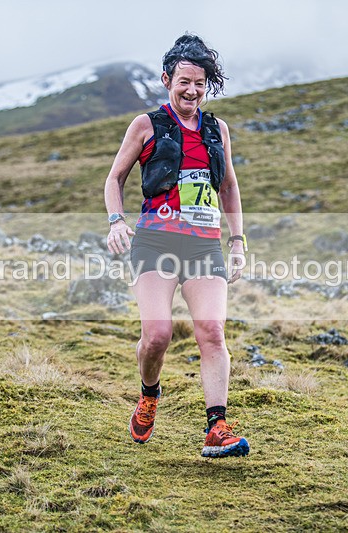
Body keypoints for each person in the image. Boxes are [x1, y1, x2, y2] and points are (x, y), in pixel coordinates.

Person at [104, 34, 249, 458]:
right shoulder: (146, 125)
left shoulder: (217, 129)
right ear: (167, 80)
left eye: (200, 83)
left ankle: (216, 426)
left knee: (212, 331)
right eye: (184, 81)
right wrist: (116, 221)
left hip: (204, 246)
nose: (192, 91)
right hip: (155, 241)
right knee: (157, 335)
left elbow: (228, 187)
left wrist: (237, 242)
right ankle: (149, 395)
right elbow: (115, 178)